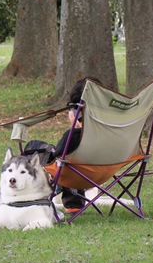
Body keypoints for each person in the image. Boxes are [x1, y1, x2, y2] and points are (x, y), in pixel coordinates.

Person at [24, 76, 102, 213]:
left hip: (76, 172)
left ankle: (28, 200)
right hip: (104, 171)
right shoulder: (114, 132)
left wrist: (75, 126)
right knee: (69, 160)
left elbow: (57, 155)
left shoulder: (74, 136)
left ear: (76, 111)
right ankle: (74, 205)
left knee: (34, 146)